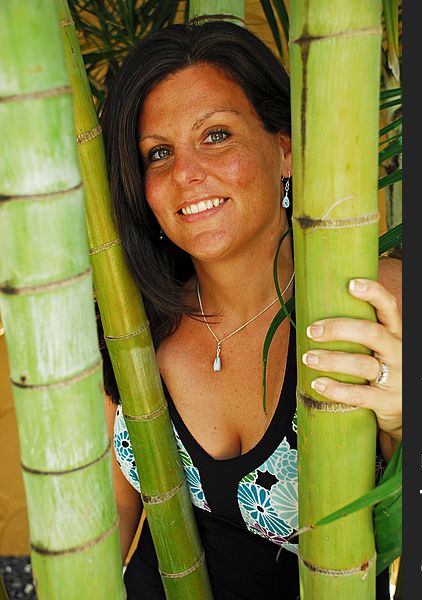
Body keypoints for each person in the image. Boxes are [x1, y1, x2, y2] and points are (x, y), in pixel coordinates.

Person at [100, 21, 402, 600]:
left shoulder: (376, 301)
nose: (184, 174)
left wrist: (414, 423)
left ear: (284, 148)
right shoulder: (130, 324)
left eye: (215, 135)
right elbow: (111, 511)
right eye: (157, 153)